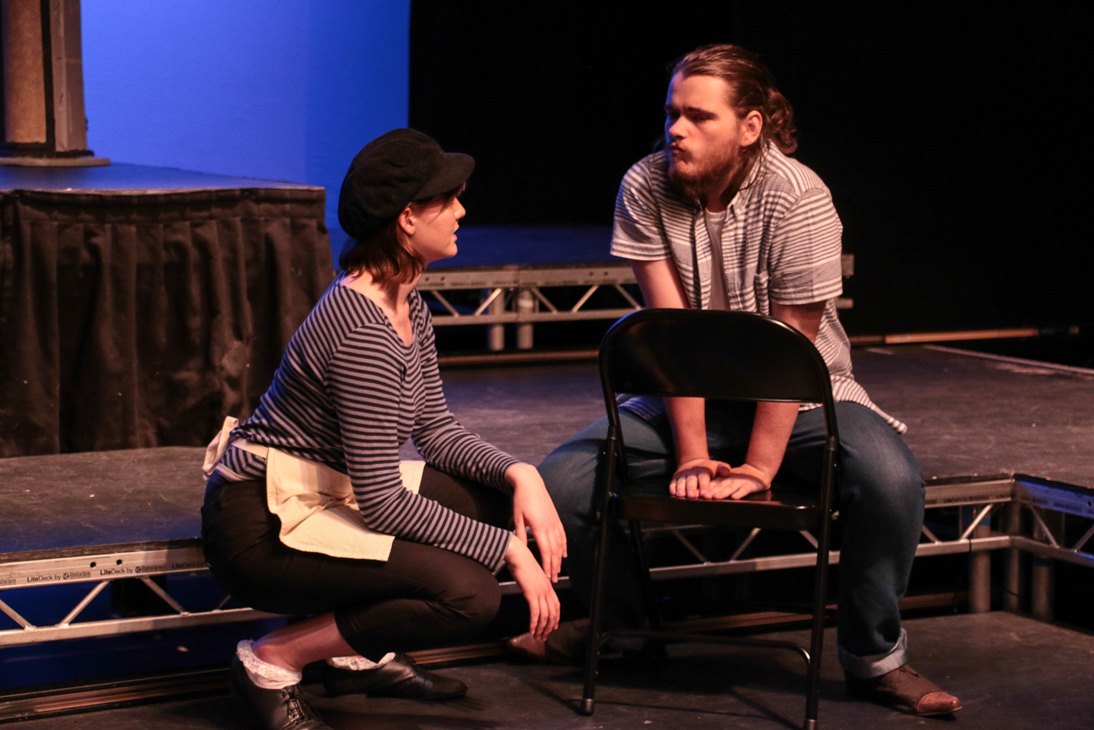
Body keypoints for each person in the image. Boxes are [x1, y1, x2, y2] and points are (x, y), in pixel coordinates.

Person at [517, 44, 961, 717]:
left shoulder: (799, 196)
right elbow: (669, 340)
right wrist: (692, 453)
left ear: (750, 126)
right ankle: (623, 632)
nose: (676, 130)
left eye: (699, 117)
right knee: (565, 483)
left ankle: (874, 659)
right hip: (684, 390)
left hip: (803, 394)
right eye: (673, 113)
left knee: (891, 481)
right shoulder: (645, 185)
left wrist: (758, 466)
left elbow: (791, 353)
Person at [201, 129, 564, 730]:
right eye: (449, 200)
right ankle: (272, 659)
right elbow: (384, 502)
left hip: (325, 491)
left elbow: (435, 429)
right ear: (407, 218)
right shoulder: (364, 332)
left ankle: (355, 654)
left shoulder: (406, 301)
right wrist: (505, 550)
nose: (461, 212)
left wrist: (519, 470)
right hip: (262, 522)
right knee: (470, 593)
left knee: (496, 500)